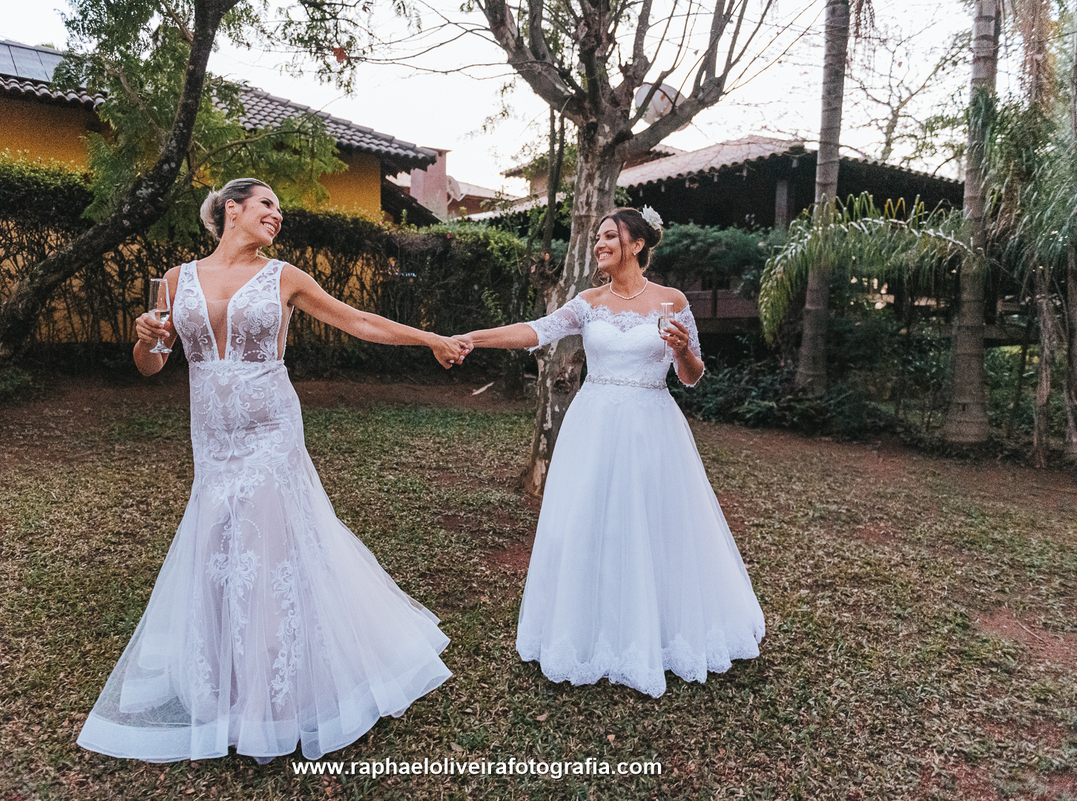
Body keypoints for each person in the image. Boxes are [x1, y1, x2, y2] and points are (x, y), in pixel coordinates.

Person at [77, 178, 464, 763]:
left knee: (268, 546)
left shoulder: (284, 276)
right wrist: (146, 340)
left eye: (279, 209)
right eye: (267, 205)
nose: (276, 216)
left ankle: (275, 695)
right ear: (231, 210)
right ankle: (224, 685)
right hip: (211, 437)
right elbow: (152, 366)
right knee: (217, 544)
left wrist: (429, 338)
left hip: (270, 430)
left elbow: (358, 321)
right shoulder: (177, 278)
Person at [453, 207, 764, 697]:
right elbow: (536, 330)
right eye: (597, 237)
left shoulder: (672, 301)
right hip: (592, 426)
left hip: (651, 427)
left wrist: (683, 350)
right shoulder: (588, 302)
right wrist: (474, 338)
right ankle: (587, 631)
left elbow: (692, 374)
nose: (598, 244)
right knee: (587, 523)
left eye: (607, 236)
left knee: (652, 525)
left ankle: (655, 634)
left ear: (636, 244)